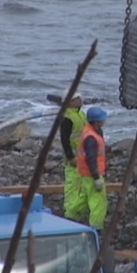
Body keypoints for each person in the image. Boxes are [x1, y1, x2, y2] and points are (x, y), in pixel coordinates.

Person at [75, 106, 109, 232]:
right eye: (101, 119)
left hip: (85, 174)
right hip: (92, 175)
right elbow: (91, 158)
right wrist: (96, 178)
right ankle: (96, 230)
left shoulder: (91, 131)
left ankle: (71, 217)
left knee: (83, 198)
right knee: (99, 203)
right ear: (96, 121)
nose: (104, 121)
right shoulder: (91, 138)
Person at [58, 88, 88, 222]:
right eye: (76, 99)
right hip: (74, 159)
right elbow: (65, 139)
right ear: (69, 102)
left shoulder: (81, 114)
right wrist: (71, 157)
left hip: (83, 156)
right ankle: (69, 213)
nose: (80, 100)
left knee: (82, 185)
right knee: (72, 186)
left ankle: (77, 212)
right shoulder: (67, 117)